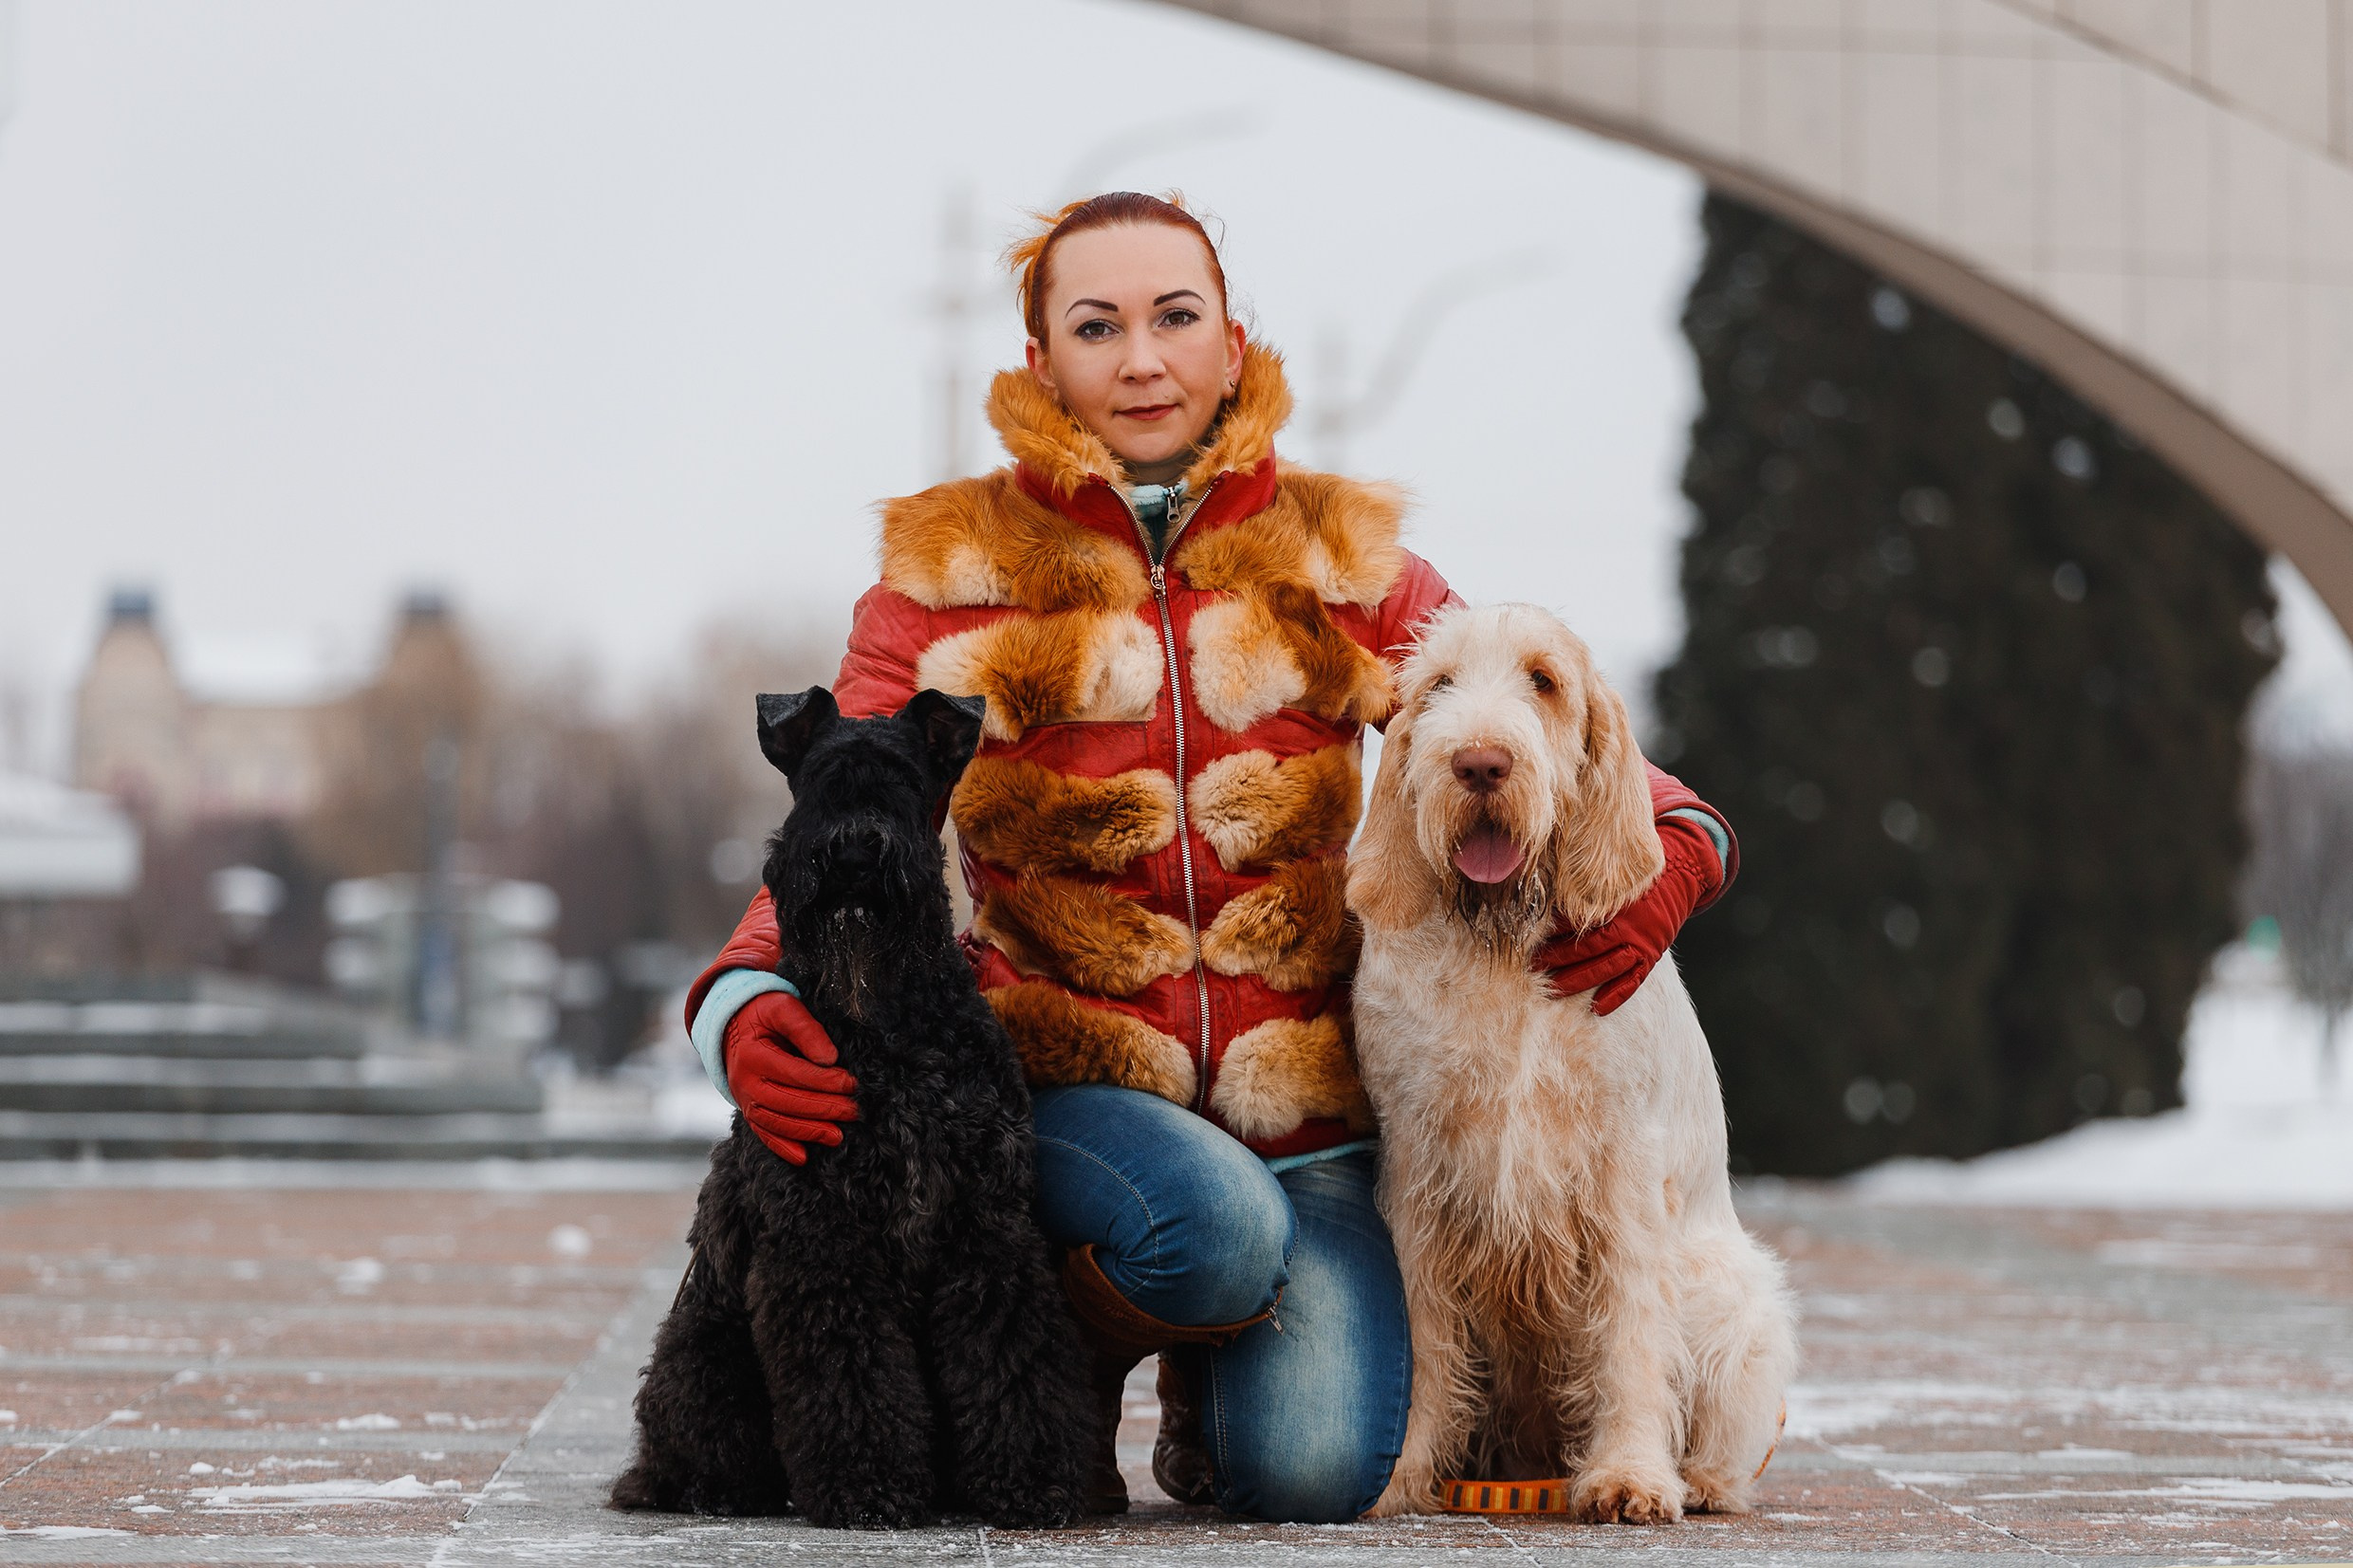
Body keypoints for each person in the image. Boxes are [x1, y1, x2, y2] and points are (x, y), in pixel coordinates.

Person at [680, 192, 1738, 1524]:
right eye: (1097, 325)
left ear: (1230, 345)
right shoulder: (948, 568)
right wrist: (739, 996)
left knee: (1309, 1470)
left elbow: (1511, 702)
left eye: (1176, 317)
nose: (1141, 357)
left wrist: (1682, 843)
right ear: (1038, 364)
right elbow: (851, 816)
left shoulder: (1343, 555)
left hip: (1307, 1114)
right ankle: (1079, 1321)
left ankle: (1205, 1374)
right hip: (1061, 1085)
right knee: (1213, 1228)